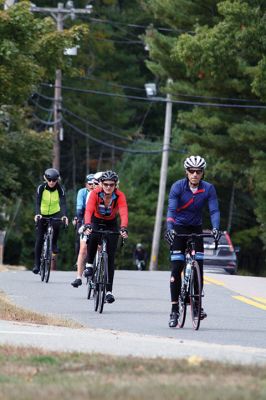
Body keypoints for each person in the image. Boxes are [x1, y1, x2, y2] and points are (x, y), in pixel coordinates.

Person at [165, 156, 220, 328]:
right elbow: (172, 209)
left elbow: (214, 210)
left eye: (198, 171)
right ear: (186, 172)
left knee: (199, 266)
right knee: (176, 268)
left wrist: (216, 228)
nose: (195, 174)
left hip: (196, 229)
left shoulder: (208, 188)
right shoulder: (177, 187)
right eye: (191, 171)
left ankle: (196, 306)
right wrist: (169, 229)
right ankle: (174, 309)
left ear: (203, 173)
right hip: (179, 229)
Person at [83, 170, 128, 303]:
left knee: (110, 258)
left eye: (111, 185)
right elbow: (89, 210)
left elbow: (124, 212)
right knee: (92, 236)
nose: (108, 187)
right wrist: (87, 224)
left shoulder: (120, 196)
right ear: (101, 184)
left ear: (116, 185)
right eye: (106, 184)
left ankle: (108, 291)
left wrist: (124, 227)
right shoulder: (94, 193)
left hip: (111, 223)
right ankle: (90, 265)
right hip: (96, 220)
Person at [33, 168, 68, 274]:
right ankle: (37, 265)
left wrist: (64, 216)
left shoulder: (60, 189)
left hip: (55, 213)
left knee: (57, 224)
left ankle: (53, 244)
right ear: (45, 179)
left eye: (54, 180)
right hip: (42, 213)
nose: (52, 182)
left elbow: (63, 203)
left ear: (57, 180)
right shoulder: (41, 188)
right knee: (39, 239)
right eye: (49, 180)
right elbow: (38, 202)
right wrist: (37, 213)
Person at [71, 173, 95, 288]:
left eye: (94, 184)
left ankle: (100, 266)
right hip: (85, 219)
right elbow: (80, 209)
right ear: (86, 184)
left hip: (97, 221)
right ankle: (78, 277)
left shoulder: (101, 193)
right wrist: (81, 222)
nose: (92, 186)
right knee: (83, 248)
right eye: (90, 184)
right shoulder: (82, 193)